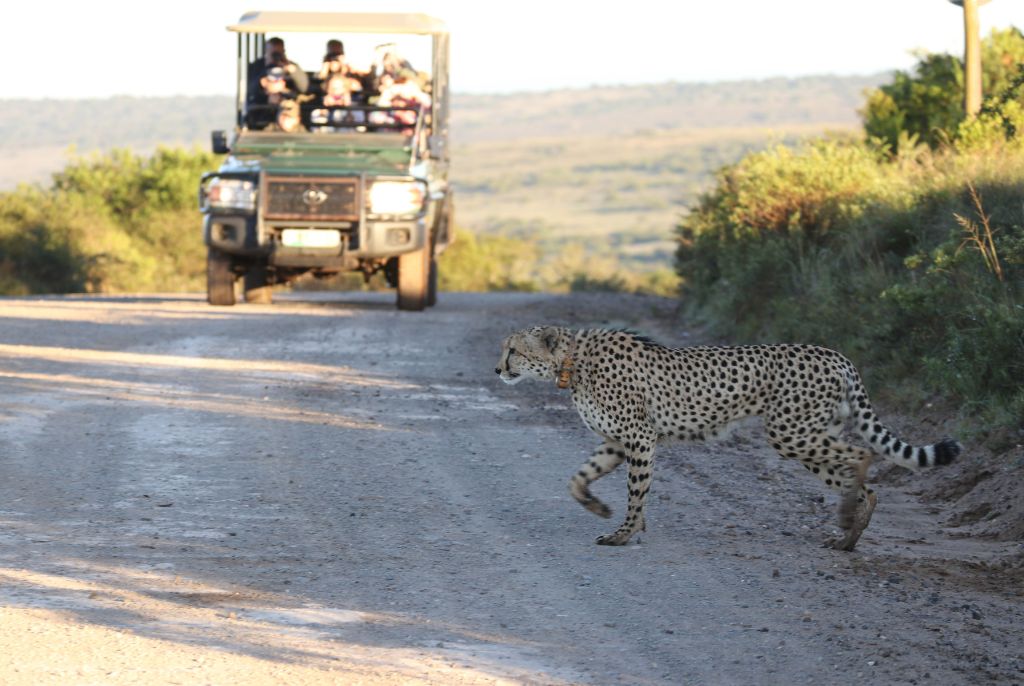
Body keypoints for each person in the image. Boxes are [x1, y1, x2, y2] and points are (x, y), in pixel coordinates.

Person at [247, 37, 308, 106]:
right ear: (266, 52)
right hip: (262, 106)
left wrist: (292, 71)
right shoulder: (257, 66)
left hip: (287, 105)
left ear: (283, 51)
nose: (276, 57)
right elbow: (250, 89)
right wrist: (264, 79)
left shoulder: (290, 66)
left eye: (278, 53)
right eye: (273, 53)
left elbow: (304, 88)